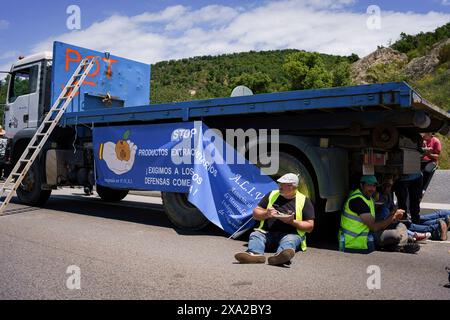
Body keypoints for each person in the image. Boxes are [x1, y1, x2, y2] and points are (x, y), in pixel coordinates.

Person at [234, 173, 315, 266]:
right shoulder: (272, 194)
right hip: (267, 233)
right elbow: (256, 213)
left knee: (290, 240)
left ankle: (280, 257)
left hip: (289, 234)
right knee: (256, 235)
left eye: (282, 184)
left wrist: (292, 222)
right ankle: (255, 255)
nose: (279, 186)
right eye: (279, 183)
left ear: (291, 186)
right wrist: (266, 214)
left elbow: (310, 226)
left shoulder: (304, 200)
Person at [339, 175, 419, 254]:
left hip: (367, 232)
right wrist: (392, 217)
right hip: (357, 240)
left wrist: (392, 215)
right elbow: (374, 227)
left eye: (374, 186)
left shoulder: (368, 198)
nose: (372, 189)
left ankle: (399, 246)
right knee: (396, 235)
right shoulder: (358, 201)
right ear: (361, 185)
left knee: (401, 225)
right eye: (369, 185)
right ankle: (400, 245)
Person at [374, 175, 430, 242]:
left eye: (389, 186)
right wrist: (393, 216)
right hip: (383, 224)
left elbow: (392, 209)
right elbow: (382, 220)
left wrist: (394, 212)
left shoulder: (388, 195)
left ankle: (412, 235)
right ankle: (414, 235)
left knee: (403, 224)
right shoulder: (378, 197)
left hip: (389, 222)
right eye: (385, 186)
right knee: (400, 226)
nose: (387, 189)